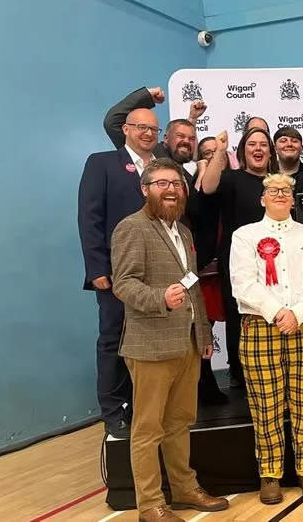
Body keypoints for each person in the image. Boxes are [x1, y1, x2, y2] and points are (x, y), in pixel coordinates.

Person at [110, 159, 229, 521]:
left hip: (187, 345)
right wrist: (159, 298)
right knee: (148, 429)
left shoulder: (184, 232)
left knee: (180, 422)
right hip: (150, 347)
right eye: (161, 183)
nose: (171, 189)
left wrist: (204, 333)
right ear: (145, 189)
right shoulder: (131, 228)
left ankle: (184, 488)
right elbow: (124, 284)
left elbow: (193, 289)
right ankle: (150, 504)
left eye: (176, 183)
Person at [230, 173, 303, 505]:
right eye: (273, 191)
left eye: (286, 191)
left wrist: (298, 312)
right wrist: (277, 312)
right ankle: (270, 473)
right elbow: (243, 283)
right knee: (265, 404)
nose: (279, 195)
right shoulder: (244, 236)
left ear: (293, 198)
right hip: (260, 327)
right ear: (262, 198)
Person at [78, 107, 161, 439]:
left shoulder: (161, 168)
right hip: (115, 273)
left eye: (154, 129)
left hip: (156, 273)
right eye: (141, 127)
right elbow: (90, 217)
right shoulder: (102, 163)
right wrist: (97, 266)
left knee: (146, 342)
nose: (148, 134)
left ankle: (138, 405)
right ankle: (113, 411)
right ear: (125, 129)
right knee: (113, 339)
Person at [200, 128, 278, 388]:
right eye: (252, 144)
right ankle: (240, 376)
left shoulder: (279, 182)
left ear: (270, 151)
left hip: (277, 264)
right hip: (238, 262)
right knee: (239, 317)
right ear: (243, 150)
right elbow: (208, 187)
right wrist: (220, 150)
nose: (258, 149)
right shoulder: (231, 178)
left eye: (263, 145)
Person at [103, 86, 202, 165]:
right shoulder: (148, 152)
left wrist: (193, 118)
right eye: (180, 136)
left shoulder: (193, 175)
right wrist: (147, 96)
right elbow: (113, 122)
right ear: (166, 139)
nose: (186, 141)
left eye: (192, 139)